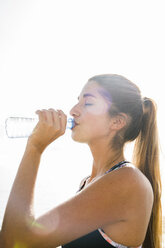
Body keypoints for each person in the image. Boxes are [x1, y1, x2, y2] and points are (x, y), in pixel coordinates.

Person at [0, 74, 162, 248]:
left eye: (88, 103)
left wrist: (35, 148)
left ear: (116, 121)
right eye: (77, 101)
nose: (73, 110)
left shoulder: (127, 181)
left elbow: (13, 242)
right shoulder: (89, 182)